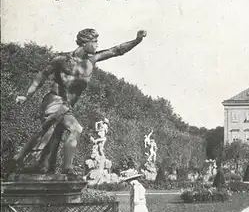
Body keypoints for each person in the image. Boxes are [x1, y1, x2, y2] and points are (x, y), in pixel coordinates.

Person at [8, 29, 147, 176]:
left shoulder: (92, 60)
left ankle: (19, 159)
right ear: (84, 42)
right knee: (74, 129)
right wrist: (26, 96)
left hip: (67, 106)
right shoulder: (62, 60)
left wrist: (137, 40)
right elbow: (41, 76)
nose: (97, 45)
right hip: (53, 100)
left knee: (51, 138)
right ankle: (66, 169)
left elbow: (117, 50)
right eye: (94, 42)